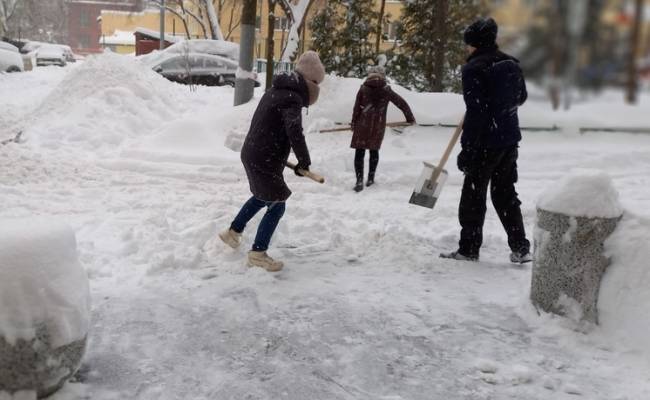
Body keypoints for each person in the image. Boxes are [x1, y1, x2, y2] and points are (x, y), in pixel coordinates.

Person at [219, 51, 326, 272]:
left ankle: (232, 233)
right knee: (277, 204)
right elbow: (294, 131)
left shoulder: (277, 91)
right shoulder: (292, 98)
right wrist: (304, 160)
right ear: (310, 82)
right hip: (264, 157)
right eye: (317, 82)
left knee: (261, 196)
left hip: (256, 153)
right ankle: (258, 253)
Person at [440, 18, 532, 264]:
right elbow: (521, 97)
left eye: (468, 44)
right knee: (505, 193)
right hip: (509, 139)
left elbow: (477, 114)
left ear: (475, 44)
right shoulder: (510, 63)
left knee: (473, 196)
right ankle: (521, 248)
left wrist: (467, 150)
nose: (467, 48)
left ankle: (469, 249)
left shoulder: (473, 69)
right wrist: (499, 104)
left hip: (484, 143)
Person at [350, 66, 415, 192]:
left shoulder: (363, 89)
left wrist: (354, 122)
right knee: (374, 151)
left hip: (362, 125)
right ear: (383, 76)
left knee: (359, 152)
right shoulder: (386, 90)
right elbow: (401, 103)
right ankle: (370, 179)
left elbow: (357, 107)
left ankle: (359, 181)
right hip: (377, 125)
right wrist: (409, 117)